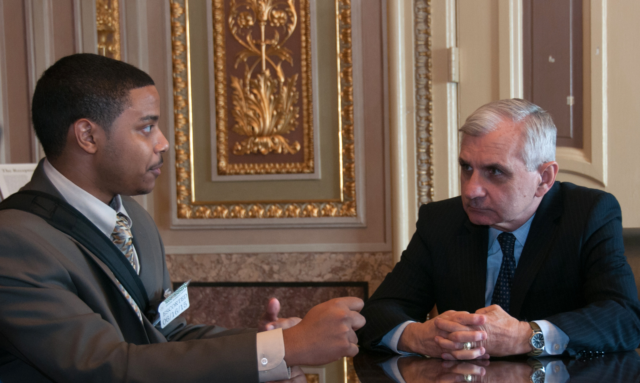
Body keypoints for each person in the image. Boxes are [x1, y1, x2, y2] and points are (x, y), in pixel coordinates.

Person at [0, 53, 365, 382]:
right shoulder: (13, 242)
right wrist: (288, 346)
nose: (163, 143)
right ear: (87, 136)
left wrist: (273, 344)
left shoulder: (135, 223)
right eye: (146, 127)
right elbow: (108, 366)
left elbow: (166, 335)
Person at [357, 98, 640, 360]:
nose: (471, 191)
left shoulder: (588, 214)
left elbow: (624, 318)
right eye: (466, 168)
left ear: (543, 178)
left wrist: (528, 336)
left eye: (495, 172)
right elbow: (379, 313)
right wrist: (416, 336)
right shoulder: (441, 221)